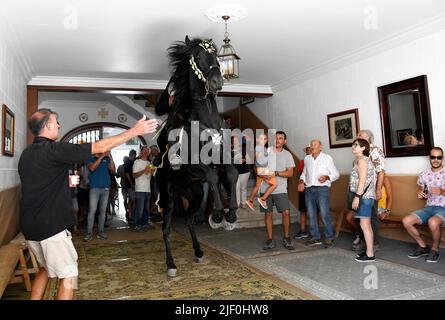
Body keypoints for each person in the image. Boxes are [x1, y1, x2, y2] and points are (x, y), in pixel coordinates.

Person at [18, 108, 158, 300]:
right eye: (56, 122)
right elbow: (100, 146)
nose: (58, 125)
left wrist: (64, 182)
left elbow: (39, 183)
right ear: (48, 125)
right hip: (49, 226)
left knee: (45, 268)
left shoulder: (26, 154)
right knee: (69, 276)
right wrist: (134, 131)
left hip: (30, 226)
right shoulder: (55, 149)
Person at [402, 147, 445, 263]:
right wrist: (421, 194)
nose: (436, 160)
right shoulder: (424, 175)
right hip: (429, 207)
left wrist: (443, 192)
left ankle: (435, 250)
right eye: (433, 157)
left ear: (443, 158)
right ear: (429, 158)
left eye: (439, 157)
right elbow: (423, 192)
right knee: (406, 221)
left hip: (443, 208)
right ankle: (423, 247)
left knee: (433, 222)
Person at [298, 139, 339, 248]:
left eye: (315, 145)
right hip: (309, 190)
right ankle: (315, 237)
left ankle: (329, 238)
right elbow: (304, 173)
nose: (312, 146)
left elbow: (336, 174)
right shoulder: (307, 159)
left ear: (321, 146)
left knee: (324, 214)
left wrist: (327, 177)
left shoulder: (327, 158)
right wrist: (301, 182)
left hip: (322, 190)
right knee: (311, 214)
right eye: (311, 145)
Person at [260, 131, 296, 251]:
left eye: (280, 138)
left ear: (284, 141)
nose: (277, 140)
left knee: (286, 213)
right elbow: (258, 169)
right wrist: (264, 175)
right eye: (276, 138)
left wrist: (276, 173)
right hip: (266, 189)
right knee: (268, 214)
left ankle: (286, 237)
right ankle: (270, 239)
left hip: (281, 189)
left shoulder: (288, 155)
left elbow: (290, 173)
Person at [354, 129, 385, 251]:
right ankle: (364, 242)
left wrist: (378, 190)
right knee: (361, 217)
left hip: (370, 190)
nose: (357, 136)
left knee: (371, 217)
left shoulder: (375, 150)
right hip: (359, 190)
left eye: (360, 135)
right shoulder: (360, 152)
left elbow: (381, 172)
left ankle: (374, 244)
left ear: (369, 138)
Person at [348, 138, 377, 262]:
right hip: (367, 196)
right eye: (353, 145)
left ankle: (370, 254)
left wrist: (357, 197)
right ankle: (369, 252)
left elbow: (362, 180)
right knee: (366, 225)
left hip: (364, 197)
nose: (353, 147)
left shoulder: (362, 161)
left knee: (364, 225)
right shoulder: (361, 160)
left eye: (356, 145)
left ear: (363, 148)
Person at [84, 151, 116, 241]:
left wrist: (110, 156)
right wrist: (102, 156)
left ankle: (101, 232)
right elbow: (92, 168)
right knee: (92, 211)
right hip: (94, 188)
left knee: (103, 211)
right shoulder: (90, 158)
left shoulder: (107, 159)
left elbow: (114, 171)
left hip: (105, 188)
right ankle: (89, 233)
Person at [246, 133, 277, 210]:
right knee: (275, 184)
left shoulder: (262, 148)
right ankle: (262, 199)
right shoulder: (259, 148)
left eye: (265, 139)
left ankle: (250, 200)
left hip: (259, 169)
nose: (263, 141)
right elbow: (258, 159)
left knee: (257, 185)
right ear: (257, 140)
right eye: (261, 139)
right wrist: (264, 171)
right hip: (262, 169)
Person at [132, 145, 155, 231]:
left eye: (147, 151)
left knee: (146, 209)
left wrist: (152, 171)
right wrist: (144, 171)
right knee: (139, 209)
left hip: (147, 189)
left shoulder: (149, 163)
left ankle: (144, 224)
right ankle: (137, 225)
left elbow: (152, 174)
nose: (145, 152)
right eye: (144, 150)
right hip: (140, 189)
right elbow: (134, 175)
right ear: (141, 152)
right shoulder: (137, 162)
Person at [294, 144, 311, 239]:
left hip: (313, 189)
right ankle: (302, 230)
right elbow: (299, 174)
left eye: (310, 149)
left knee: (314, 211)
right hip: (303, 188)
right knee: (303, 210)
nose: (308, 151)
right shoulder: (302, 162)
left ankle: (314, 231)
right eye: (307, 149)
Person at [233, 135, 251, 209]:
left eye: (236, 140)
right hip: (234, 173)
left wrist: (242, 160)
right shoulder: (229, 150)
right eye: (233, 141)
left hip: (244, 172)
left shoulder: (244, 149)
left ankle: (243, 203)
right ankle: (237, 204)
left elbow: (249, 160)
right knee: (236, 188)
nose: (235, 142)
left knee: (243, 188)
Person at [124, 149, 137, 221]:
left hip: (132, 184)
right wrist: (131, 183)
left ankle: (131, 214)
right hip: (130, 184)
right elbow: (127, 174)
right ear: (133, 155)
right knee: (132, 199)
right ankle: (131, 214)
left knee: (131, 200)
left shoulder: (132, 162)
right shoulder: (128, 162)